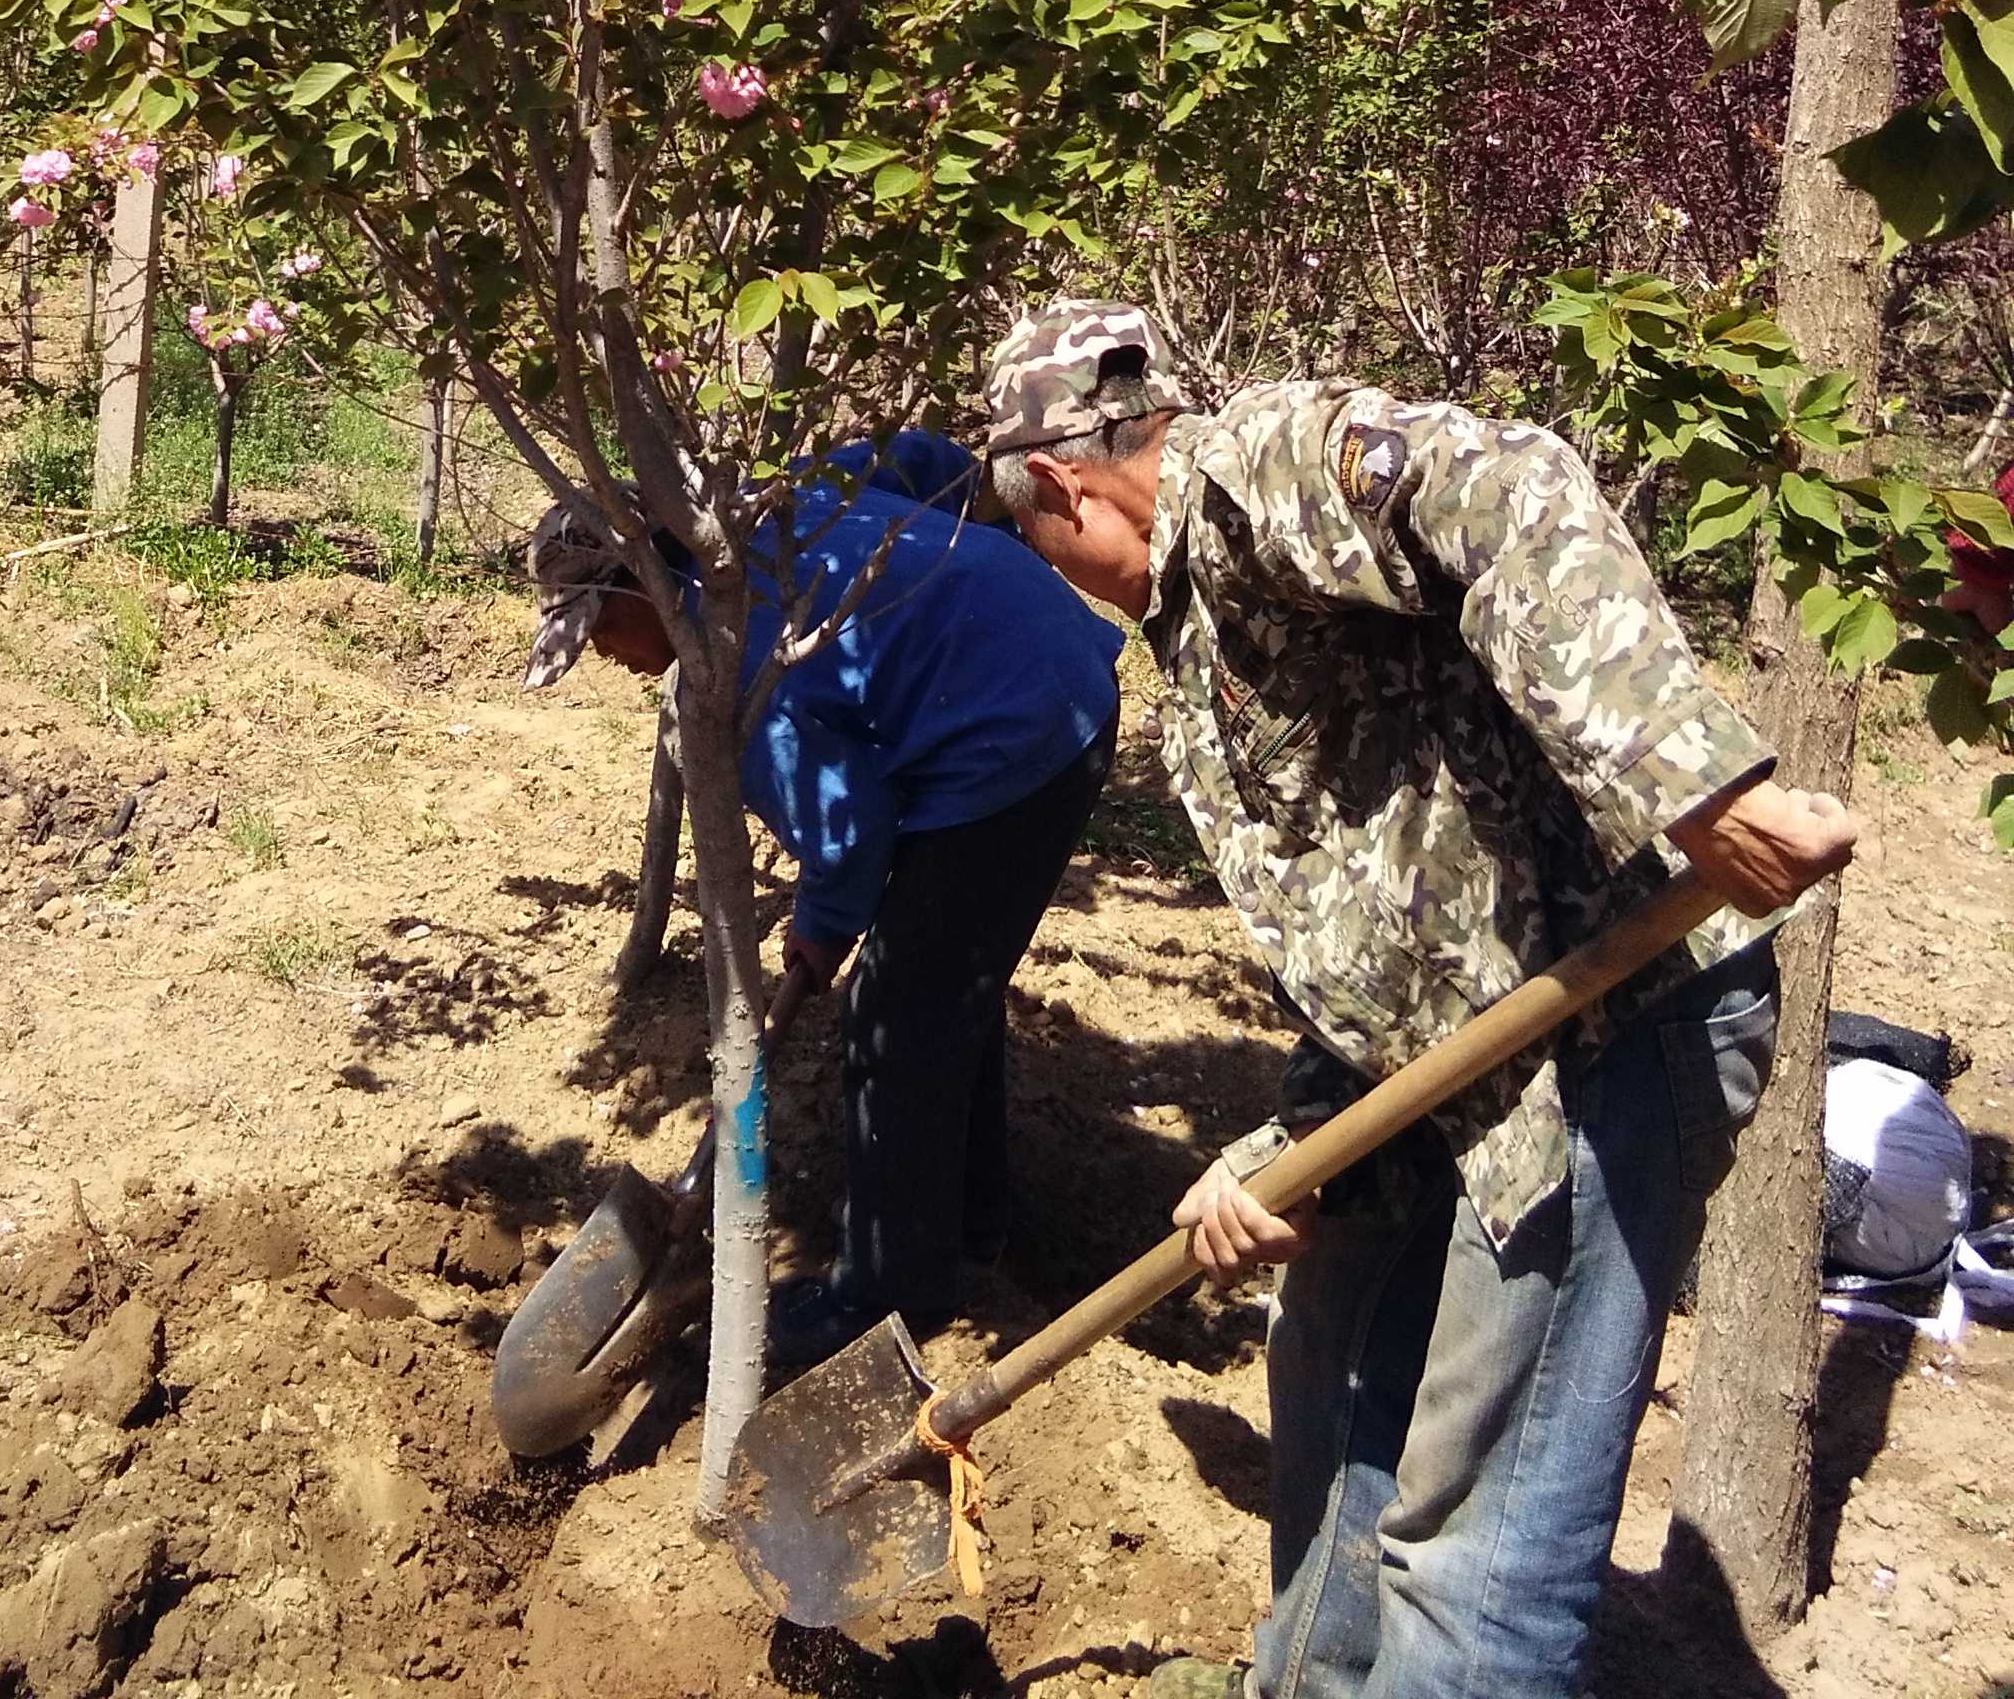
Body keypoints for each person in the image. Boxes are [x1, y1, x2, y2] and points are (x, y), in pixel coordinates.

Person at [984, 300, 1859, 1699]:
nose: (1053, 567)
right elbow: (1381, 911)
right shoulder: (1199, 627)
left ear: (1070, 486)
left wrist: (1693, 782)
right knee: (1330, 1379)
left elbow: (1507, 485)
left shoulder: (1253, 473)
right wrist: (1290, 1148)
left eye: (1032, 535)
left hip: (1610, 1030)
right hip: (1454, 1053)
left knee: (1477, 1544)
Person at [523, 429, 1124, 1369]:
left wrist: (819, 929)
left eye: (598, 627)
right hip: (1038, 672)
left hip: (1015, 735)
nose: (601, 654)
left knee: (893, 1018)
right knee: (937, 983)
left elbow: (849, 834)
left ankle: (892, 1293)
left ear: (644, 587)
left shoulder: (746, 674)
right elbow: (918, 459)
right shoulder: (764, 511)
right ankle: (970, 1228)